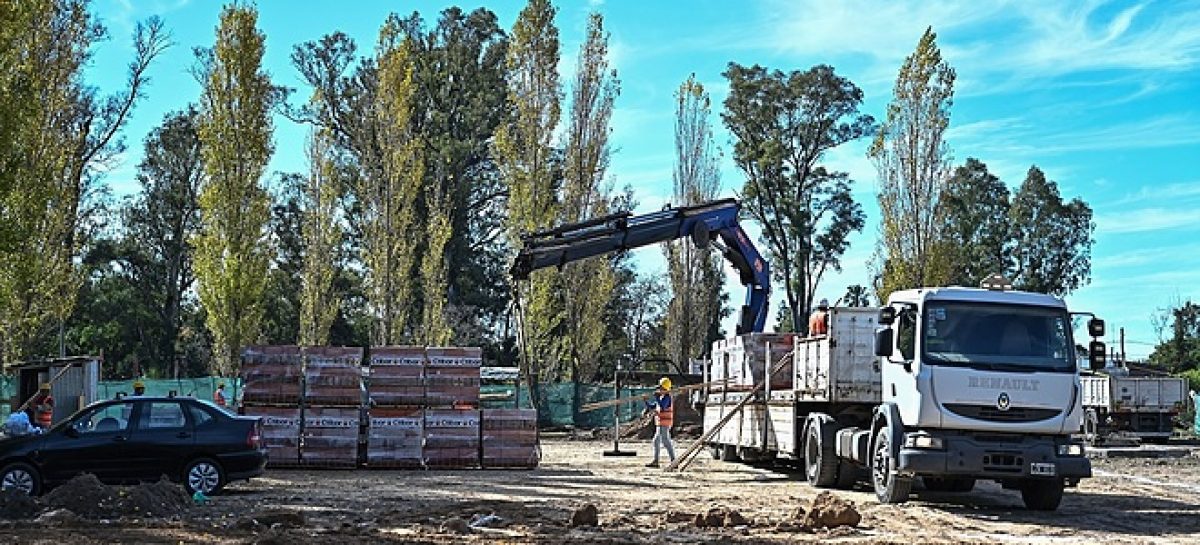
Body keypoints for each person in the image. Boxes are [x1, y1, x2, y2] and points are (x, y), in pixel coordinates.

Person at [645, 377, 675, 468]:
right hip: (660, 423)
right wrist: (645, 401)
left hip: (665, 423)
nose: (659, 390)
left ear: (665, 389)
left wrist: (657, 397)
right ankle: (656, 461)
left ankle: (674, 461)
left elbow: (663, 407)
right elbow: (653, 406)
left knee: (666, 441)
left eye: (661, 388)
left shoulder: (667, 397)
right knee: (656, 441)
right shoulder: (661, 397)